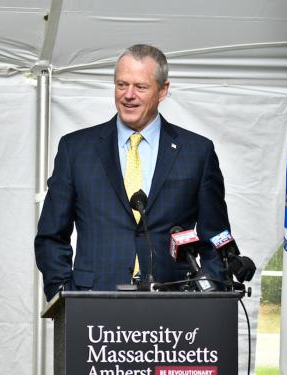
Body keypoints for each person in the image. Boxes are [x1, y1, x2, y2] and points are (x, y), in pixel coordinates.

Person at [35, 44, 231, 301]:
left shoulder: (197, 152)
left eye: (140, 87)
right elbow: (51, 234)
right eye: (121, 85)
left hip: (175, 311)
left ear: (163, 90)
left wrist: (208, 295)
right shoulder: (76, 149)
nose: (128, 95)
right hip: (91, 306)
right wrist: (64, 292)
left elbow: (217, 238)